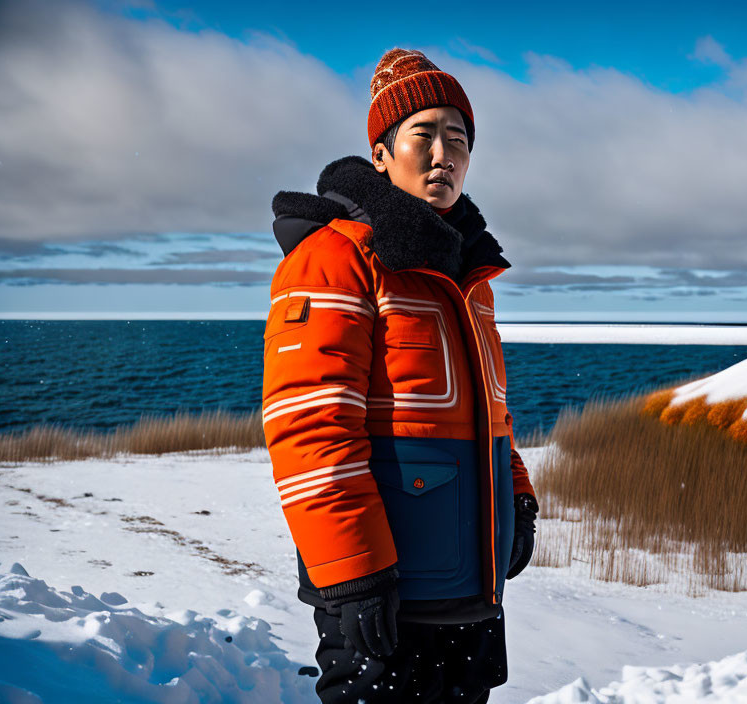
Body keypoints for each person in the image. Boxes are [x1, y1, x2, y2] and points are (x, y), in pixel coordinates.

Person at [262, 47, 539, 703]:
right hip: (381, 591)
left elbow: (488, 411)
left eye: (459, 139)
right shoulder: (332, 258)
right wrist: (353, 573)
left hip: (468, 588)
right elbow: (307, 428)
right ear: (381, 154)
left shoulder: (469, 275)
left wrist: (517, 493)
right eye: (425, 135)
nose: (444, 154)